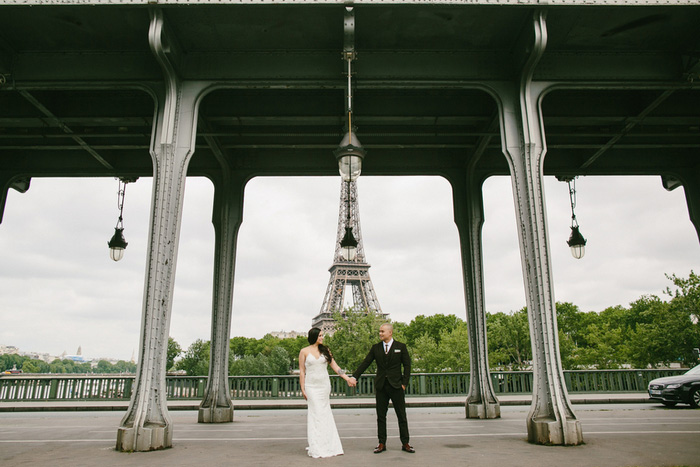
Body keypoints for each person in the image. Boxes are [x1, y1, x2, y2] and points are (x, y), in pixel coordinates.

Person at [349, 322, 414, 454]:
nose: (380, 333)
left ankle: (405, 443)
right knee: (381, 416)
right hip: (381, 387)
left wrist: (404, 383)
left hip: (396, 386)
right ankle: (381, 443)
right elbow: (366, 363)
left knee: (401, 415)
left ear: (390, 332)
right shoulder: (376, 348)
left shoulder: (401, 347)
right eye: (379, 331)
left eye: (382, 331)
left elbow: (407, 366)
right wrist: (355, 376)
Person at [299, 327, 353, 458]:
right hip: (311, 386)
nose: (322, 338)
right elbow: (302, 371)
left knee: (324, 414)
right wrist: (302, 388)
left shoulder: (326, 350)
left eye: (322, 336)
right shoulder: (304, 351)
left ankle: (327, 443)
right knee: (316, 414)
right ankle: (317, 444)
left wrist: (347, 378)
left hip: (324, 386)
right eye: (320, 336)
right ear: (314, 337)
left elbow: (335, 367)